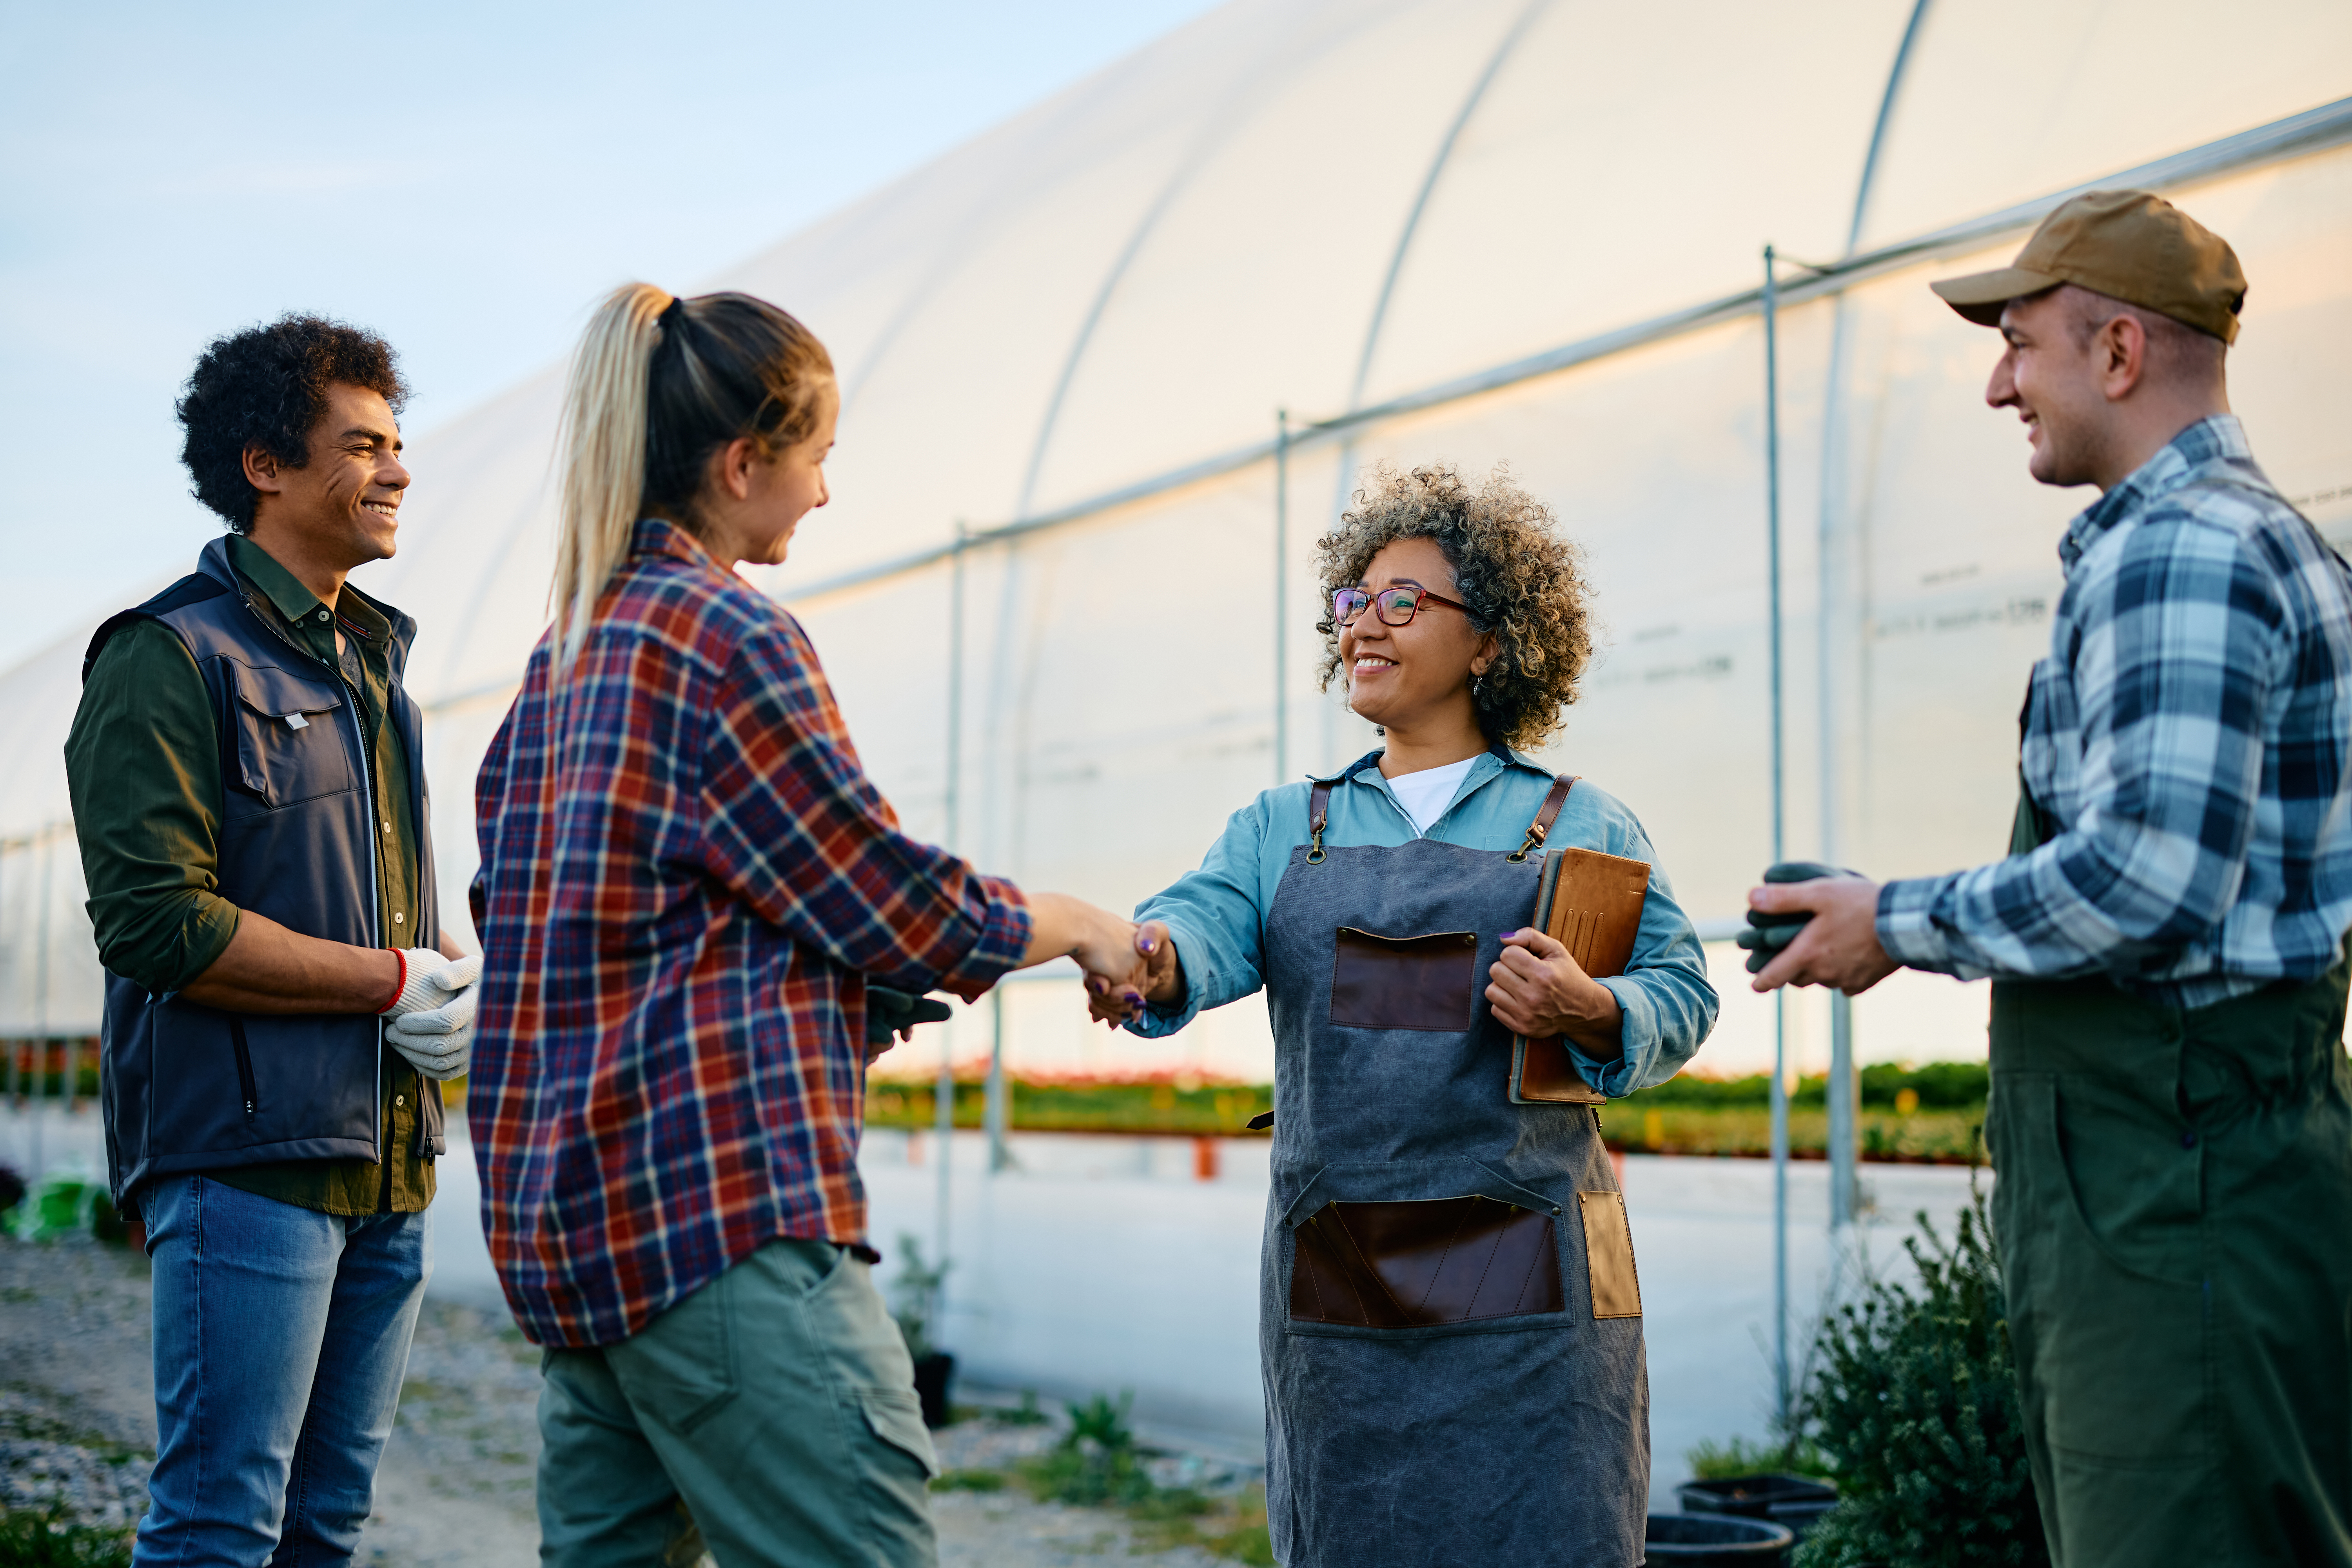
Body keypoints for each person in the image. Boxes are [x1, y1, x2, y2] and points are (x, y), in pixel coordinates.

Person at [468, 283, 1152, 1568]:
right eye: (818, 457)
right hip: (718, 1229)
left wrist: (824, 1006)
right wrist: (1072, 925)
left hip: (579, 1247)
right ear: (743, 465)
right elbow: (887, 900)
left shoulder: (556, 666)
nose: (828, 493)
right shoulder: (725, 638)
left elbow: (604, 942)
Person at [1748, 191, 2352, 1565]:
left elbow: (2146, 881)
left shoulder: (2182, 550)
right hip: (2203, 1167)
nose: (1996, 382)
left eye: (2021, 345)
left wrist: (1889, 925)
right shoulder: (2240, 541)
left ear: (2122, 355)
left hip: (2173, 1185)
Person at [1098, 464, 1718, 1567]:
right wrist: (1147, 962)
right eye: (1354, 601)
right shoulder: (1285, 826)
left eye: (1403, 602)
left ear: (1492, 644)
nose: (1363, 627)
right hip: (1341, 1296)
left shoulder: (1580, 822)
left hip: (1537, 1296)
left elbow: (1682, 989)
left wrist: (1589, 1005)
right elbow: (1196, 926)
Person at [65, 314, 478, 1565]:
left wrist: (444, 981)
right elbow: (156, 922)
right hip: (246, 1168)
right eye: (364, 446)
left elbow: (379, 908)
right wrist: (388, 980)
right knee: (217, 1526)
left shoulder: (376, 677)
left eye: (399, 443)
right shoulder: (169, 655)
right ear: (266, 466)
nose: (399, 470)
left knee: (328, 1530)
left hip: (387, 1165)